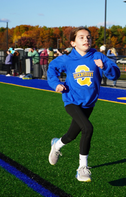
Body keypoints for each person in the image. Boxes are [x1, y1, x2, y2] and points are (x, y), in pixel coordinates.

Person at [46, 27, 120, 183]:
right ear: (73, 43)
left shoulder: (98, 56)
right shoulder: (67, 59)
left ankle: (56, 145)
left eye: (89, 37)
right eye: (81, 37)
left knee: (71, 135)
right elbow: (52, 69)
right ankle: (82, 168)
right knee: (87, 128)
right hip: (71, 100)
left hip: (89, 103)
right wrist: (56, 84)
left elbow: (115, 74)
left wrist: (105, 67)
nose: (86, 39)